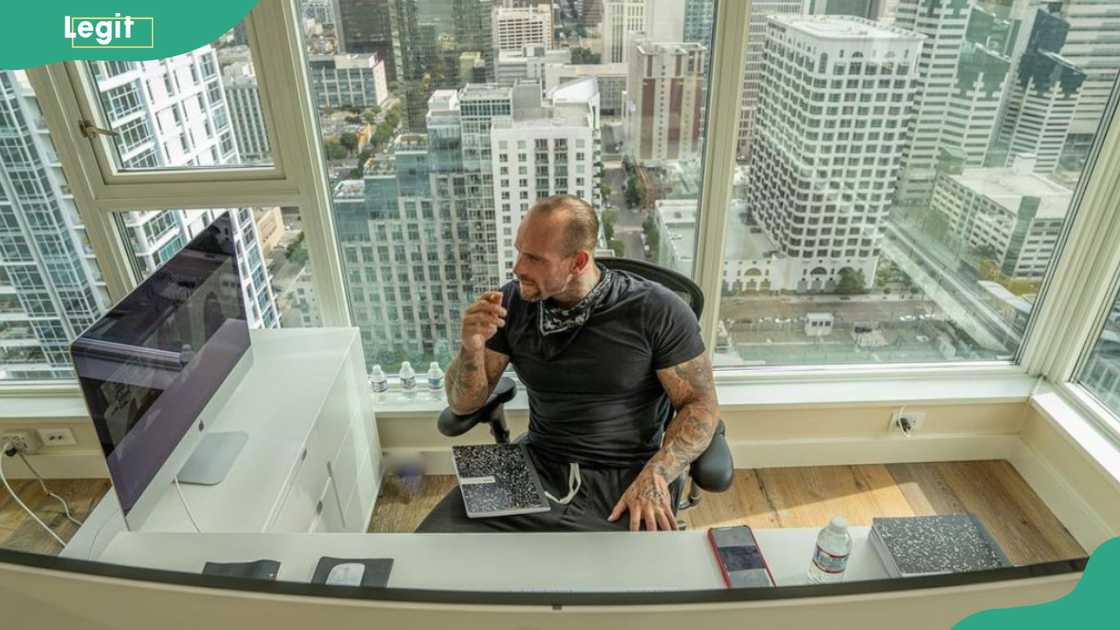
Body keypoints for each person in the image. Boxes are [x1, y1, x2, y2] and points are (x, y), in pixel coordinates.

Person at [416, 195, 720, 533]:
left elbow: (701, 406)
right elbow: (463, 403)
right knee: (430, 549)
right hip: (536, 460)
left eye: (533, 258)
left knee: (610, 582)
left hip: (627, 475)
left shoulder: (657, 310)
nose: (518, 268)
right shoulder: (511, 304)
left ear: (578, 262)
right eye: (519, 251)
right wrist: (471, 347)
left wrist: (658, 474)